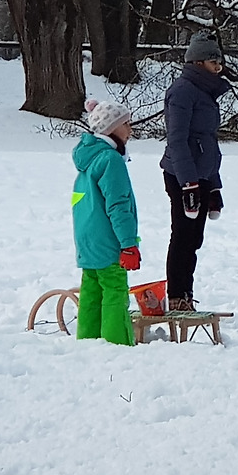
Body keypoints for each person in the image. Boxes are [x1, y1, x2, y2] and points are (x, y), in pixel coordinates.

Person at [160, 32, 228, 311]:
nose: (218, 68)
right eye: (214, 62)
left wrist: (213, 184)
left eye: (219, 62)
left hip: (200, 175)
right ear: (198, 63)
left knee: (194, 239)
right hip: (181, 175)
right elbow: (177, 140)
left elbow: (207, 142)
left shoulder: (204, 92)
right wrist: (188, 183)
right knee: (183, 237)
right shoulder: (182, 91)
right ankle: (177, 296)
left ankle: (186, 294)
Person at [72, 98, 141, 346]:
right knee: (114, 290)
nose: (130, 129)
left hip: (87, 239)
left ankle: (87, 340)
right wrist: (128, 244)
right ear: (111, 128)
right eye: (126, 124)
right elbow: (118, 205)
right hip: (108, 240)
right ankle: (117, 343)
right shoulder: (110, 160)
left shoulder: (88, 159)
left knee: (91, 291)